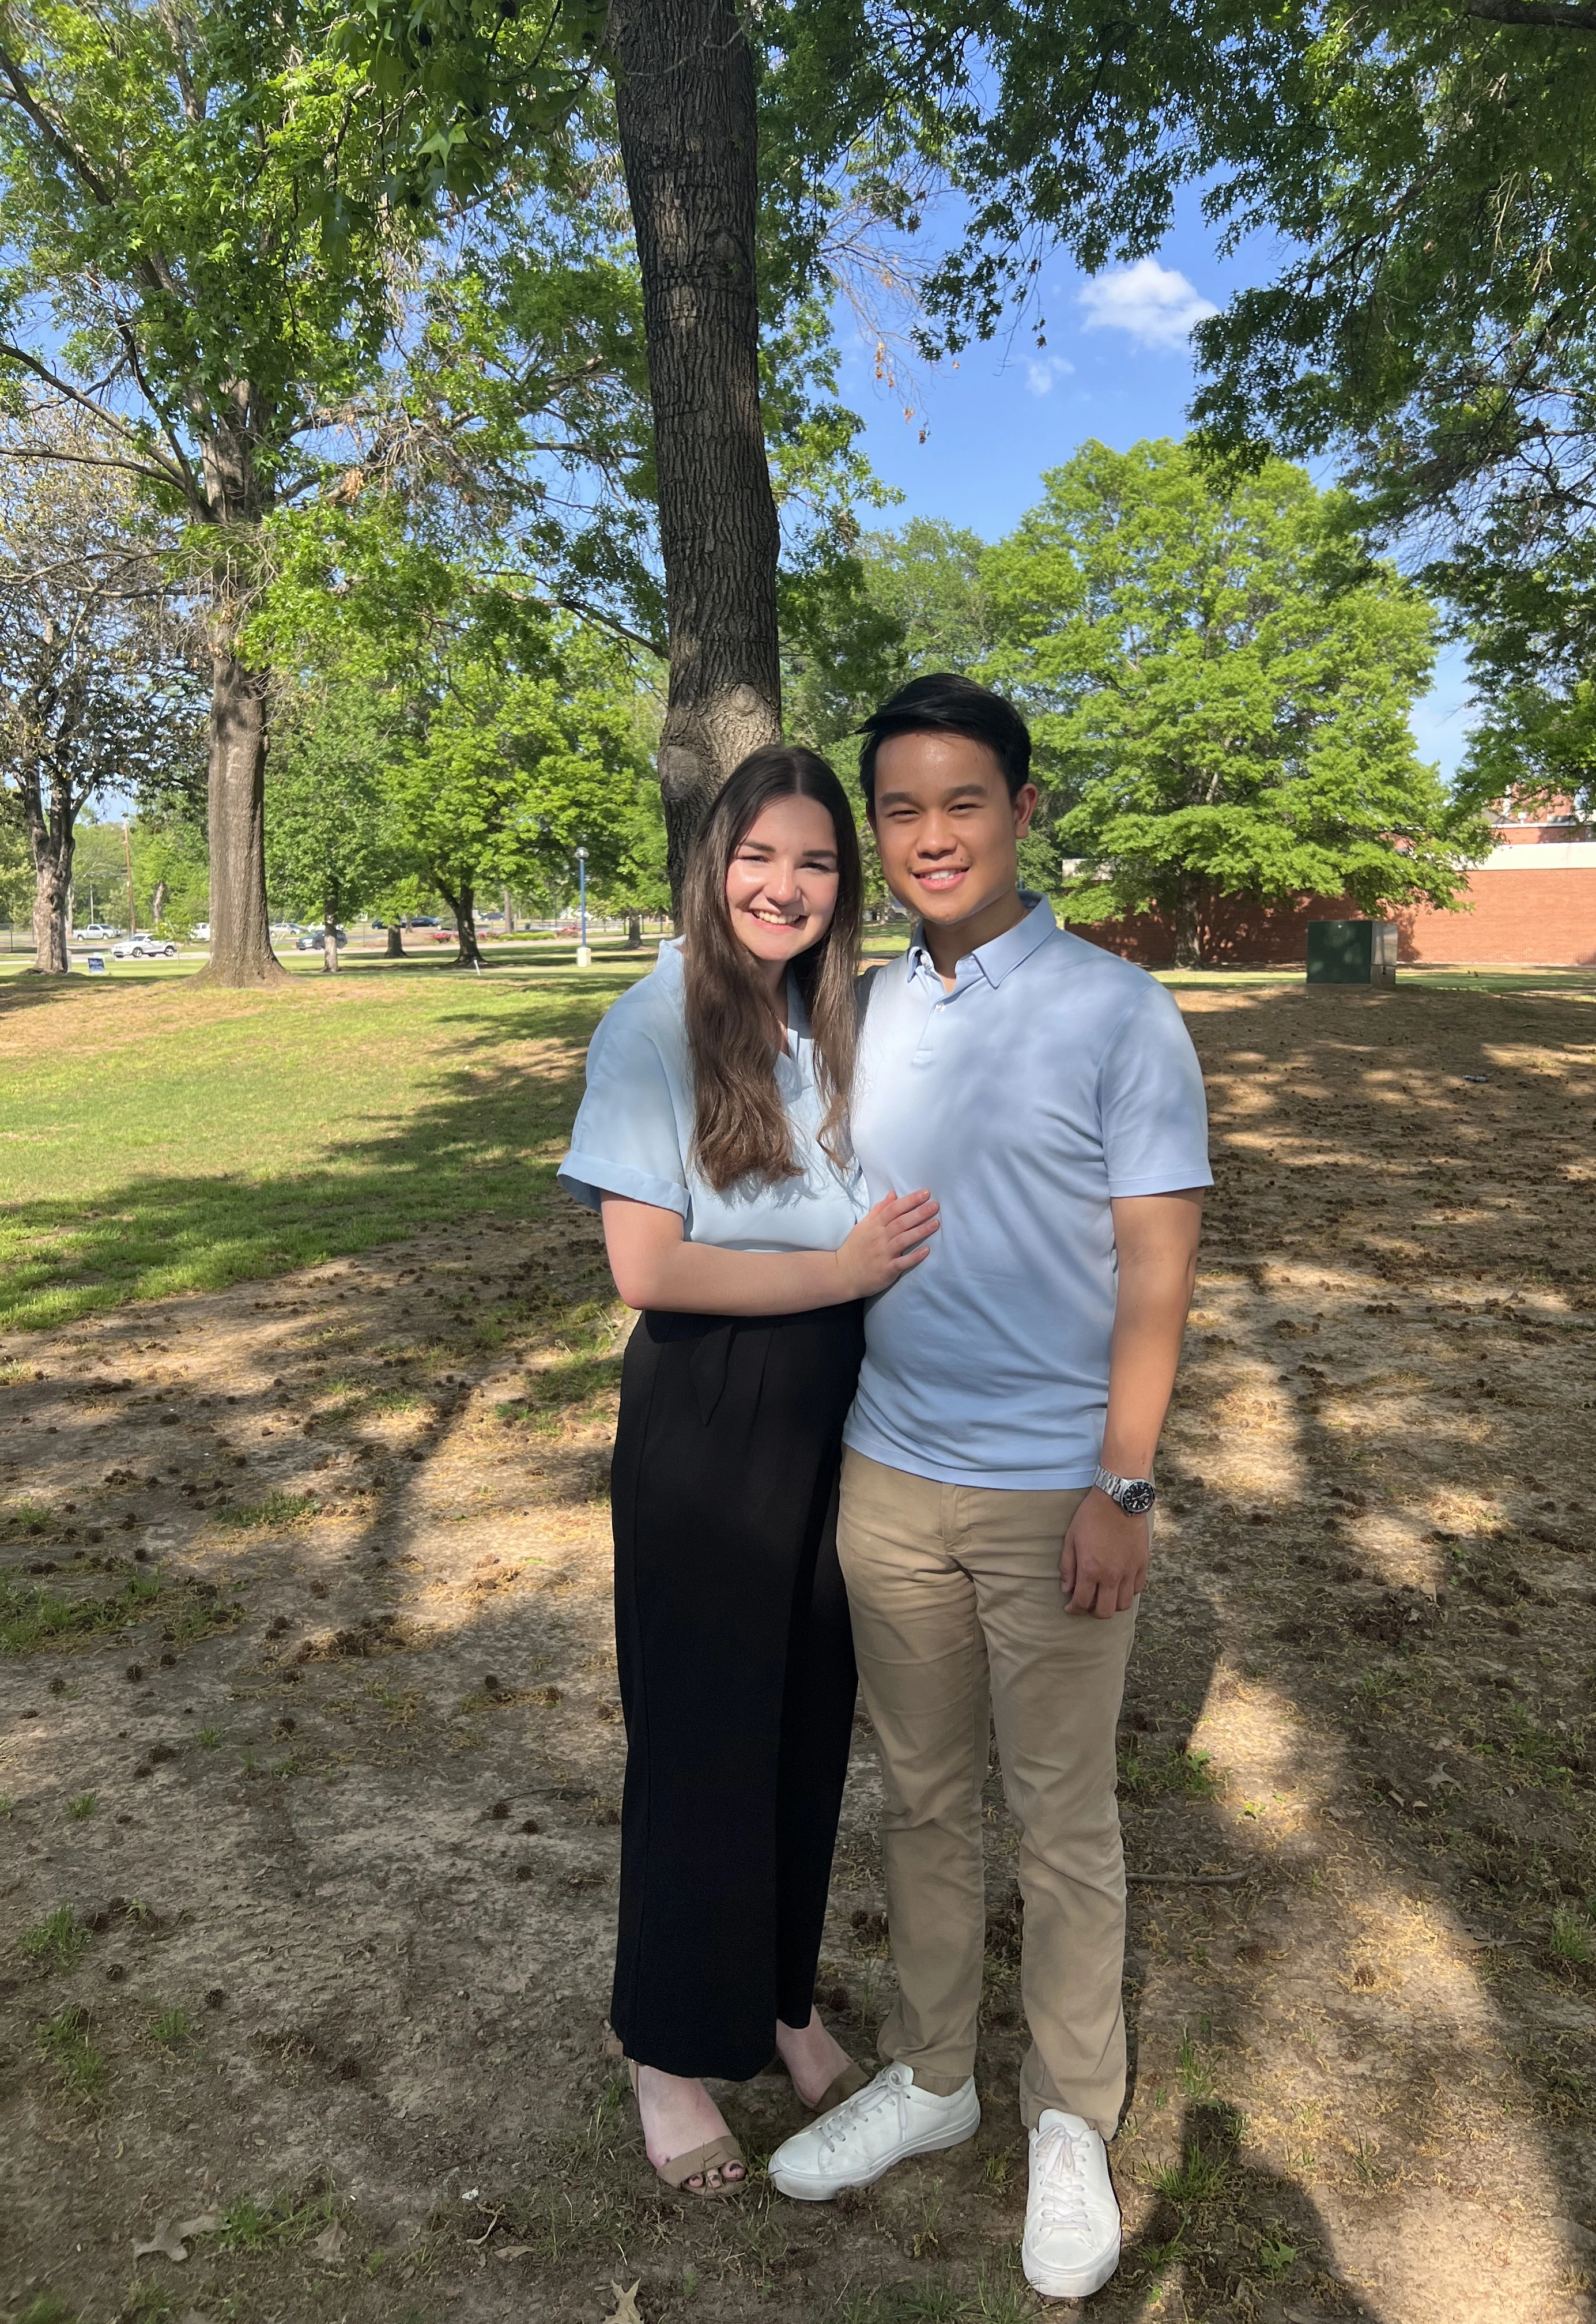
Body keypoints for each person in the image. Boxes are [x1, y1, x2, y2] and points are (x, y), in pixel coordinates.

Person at [768, 676, 1210, 2300]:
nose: (931, 834)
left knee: (1064, 1822)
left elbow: (1158, 1277)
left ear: (1025, 811)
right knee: (927, 1801)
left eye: (964, 801)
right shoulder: (865, 1008)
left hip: (1053, 1495)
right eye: (901, 808)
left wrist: (1125, 1483)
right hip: (889, 1478)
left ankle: (1072, 2119)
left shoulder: (1118, 1011)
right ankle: (937, 2079)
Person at [557, 744, 940, 2199]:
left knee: (802, 1726)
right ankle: (666, 2048)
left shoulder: (823, 1020)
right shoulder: (653, 1024)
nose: (785, 886)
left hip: (836, 1411)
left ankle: (781, 2000)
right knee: (706, 1738)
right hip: (713, 1418)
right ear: (714, 866)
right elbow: (645, 1267)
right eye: (760, 857)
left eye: (817, 863)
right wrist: (839, 1269)